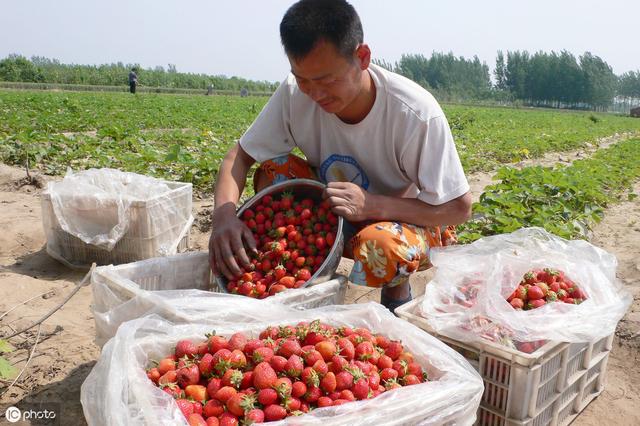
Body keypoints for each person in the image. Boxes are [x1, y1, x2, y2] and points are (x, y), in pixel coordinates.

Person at [209, 0, 471, 314]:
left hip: (405, 221)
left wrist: (373, 205)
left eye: (327, 80)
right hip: (333, 210)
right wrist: (223, 216)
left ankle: (396, 291)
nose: (315, 94)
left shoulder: (414, 113)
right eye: (303, 79)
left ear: (362, 57)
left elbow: (459, 207)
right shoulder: (295, 92)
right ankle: (307, 272)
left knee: (382, 245)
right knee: (272, 171)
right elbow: (238, 157)